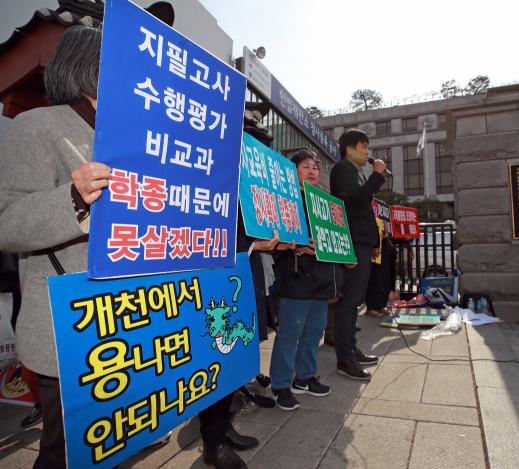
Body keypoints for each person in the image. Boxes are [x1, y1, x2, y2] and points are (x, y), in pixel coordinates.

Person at [0, 25, 248, 469]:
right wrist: (73, 199)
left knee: (112, 447)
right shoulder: (38, 126)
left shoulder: (145, 135)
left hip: (136, 324)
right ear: (85, 68)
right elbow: (6, 223)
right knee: (67, 453)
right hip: (75, 327)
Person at [269, 150, 344, 410]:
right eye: (305, 166)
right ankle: (280, 385)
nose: (312, 171)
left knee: (314, 331)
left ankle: (304, 377)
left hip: (321, 277)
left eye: (316, 167)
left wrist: (344, 254)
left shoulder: (324, 204)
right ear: (292, 171)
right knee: (290, 332)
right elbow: (272, 235)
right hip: (296, 276)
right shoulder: (284, 200)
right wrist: (296, 246)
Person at [329, 130, 386, 380]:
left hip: (362, 241)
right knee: (349, 301)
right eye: (364, 146)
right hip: (352, 241)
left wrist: (373, 241)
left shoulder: (357, 172)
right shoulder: (342, 168)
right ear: (349, 148)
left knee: (355, 301)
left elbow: (363, 206)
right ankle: (345, 358)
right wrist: (377, 175)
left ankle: (351, 349)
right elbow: (358, 198)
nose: (367, 151)